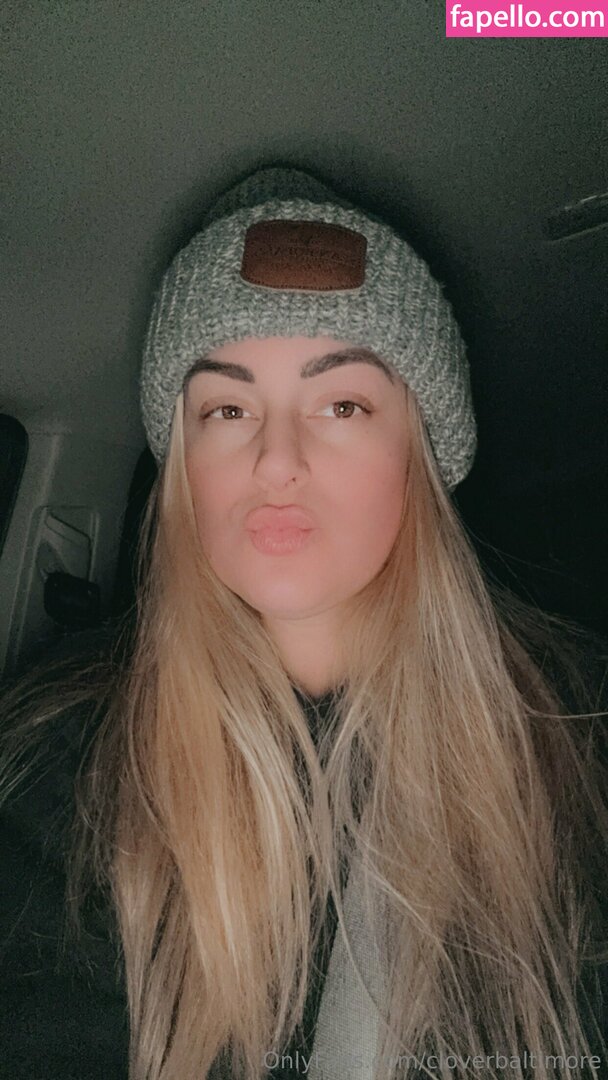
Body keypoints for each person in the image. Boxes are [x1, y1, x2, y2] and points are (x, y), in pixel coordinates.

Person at [1, 165, 607, 1080]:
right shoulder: (58, 766)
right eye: (228, 408)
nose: (276, 459)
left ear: (421, 456)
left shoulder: (575, 738)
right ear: (183, 469)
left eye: (342, 404)